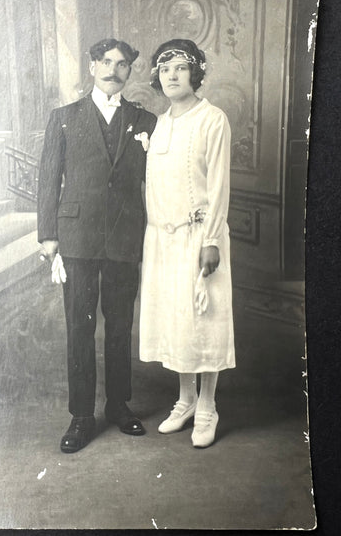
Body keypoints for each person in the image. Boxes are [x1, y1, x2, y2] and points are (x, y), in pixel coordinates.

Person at [37, 38, 157, 453]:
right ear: (92, 67)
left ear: (130, 72)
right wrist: (48, 235)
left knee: (121, 326)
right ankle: (81, 416)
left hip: (126, 237)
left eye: (122, 64)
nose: (113, 70)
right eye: (106, 62)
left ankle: (119, 406)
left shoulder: (145, 120)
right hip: (77, 238)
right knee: (79, 327)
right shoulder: (64, 118)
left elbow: (157, 181)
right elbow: (48, 179)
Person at [139, 38, 235, 448]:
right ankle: (186, 399)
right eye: (165, 69)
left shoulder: (213, 119)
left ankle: (209, 405)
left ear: (194, 72)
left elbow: (217, 185)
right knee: (178, 321)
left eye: (180, 68)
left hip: (200, 237)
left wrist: (210, 239)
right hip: (163, 239)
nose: (172, 76)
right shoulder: (160, 122)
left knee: (205, 319)